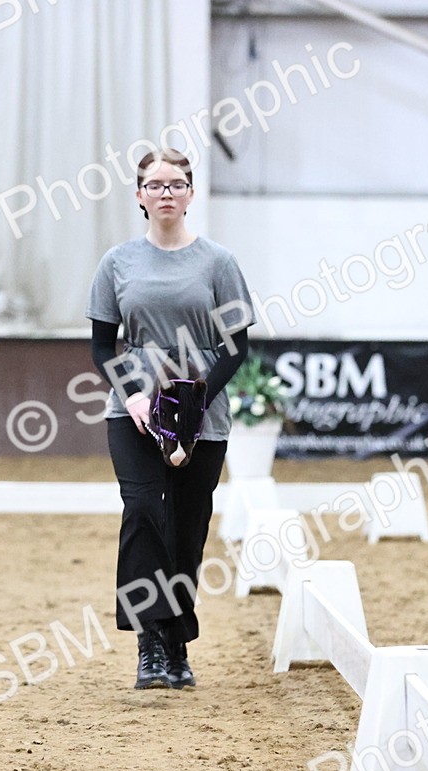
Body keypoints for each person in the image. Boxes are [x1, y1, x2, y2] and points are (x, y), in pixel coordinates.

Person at [85, 147, 255, 690]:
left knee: (186, 526)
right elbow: (102, 345)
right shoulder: (117, 263)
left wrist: (193, 403)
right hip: (133, 414)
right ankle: (150, 643)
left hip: (202, 419)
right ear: (139, 195)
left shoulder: (218, 263)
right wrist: (135, 396)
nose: (165, 193)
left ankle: (178, 643)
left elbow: (236, 345)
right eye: (155, 185)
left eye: (175, 184)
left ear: (190, 194)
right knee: (143, 513)